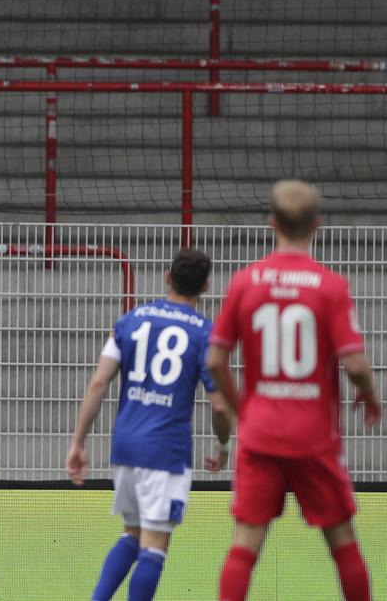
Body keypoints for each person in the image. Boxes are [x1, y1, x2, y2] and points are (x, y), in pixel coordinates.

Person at [209, 180, 381, 601]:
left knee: (244, 545)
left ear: (272, 223)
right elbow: (355, 364)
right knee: (342, 543)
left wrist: (243, 408)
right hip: (313, 437)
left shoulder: (246, 281)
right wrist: (370, 393)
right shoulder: (330, 286)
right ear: (316, 226)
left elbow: (215, 359)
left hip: (260, 432)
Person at [67, 249, 232, 601]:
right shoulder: (206, 333)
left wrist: (78, 441)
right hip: (166, 451)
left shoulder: (131, 320)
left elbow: (99, 383)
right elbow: (219, 404)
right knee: (155, 543)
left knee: (133, 533)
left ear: (167, 278)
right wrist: (223, 446)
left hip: (126, 445)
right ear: (206, 286)